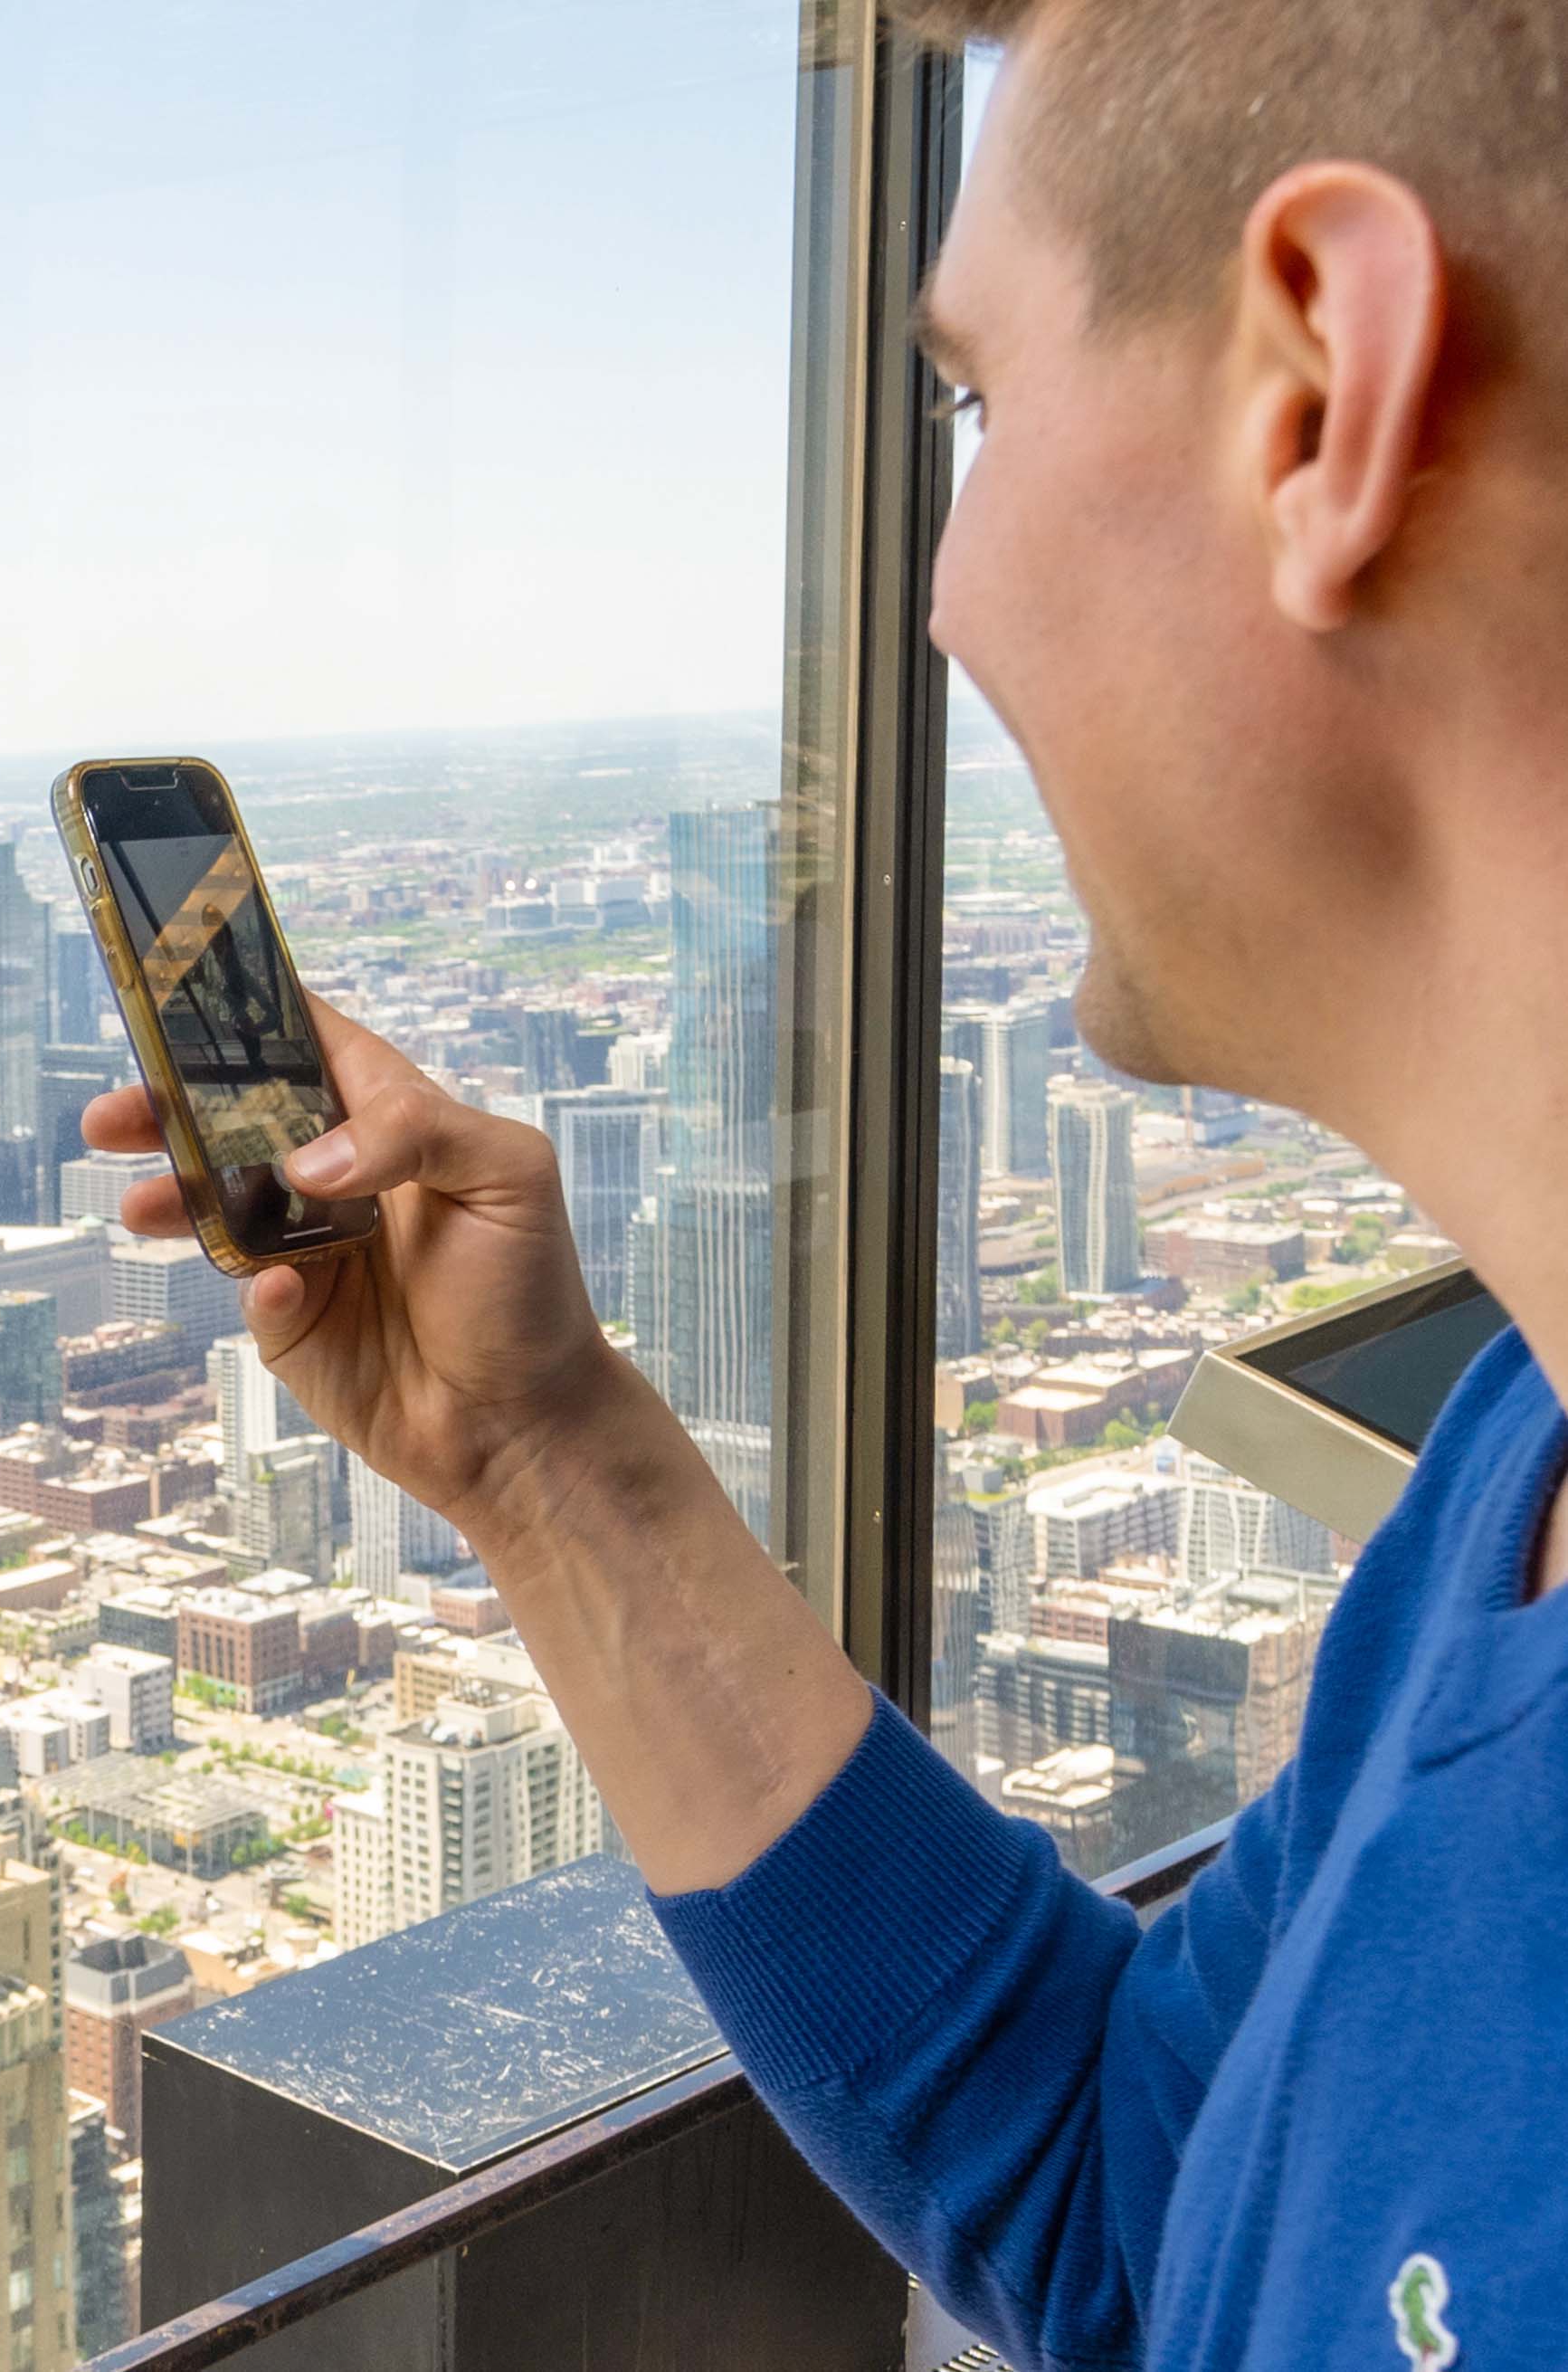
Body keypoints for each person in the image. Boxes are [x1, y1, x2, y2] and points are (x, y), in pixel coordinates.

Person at [84, 0, 1568, 2362]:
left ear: (1317, 394)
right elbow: (1133, 2185)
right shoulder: (1511, 1452)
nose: (933, 596)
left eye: (971, 404)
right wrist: (536, 1451)